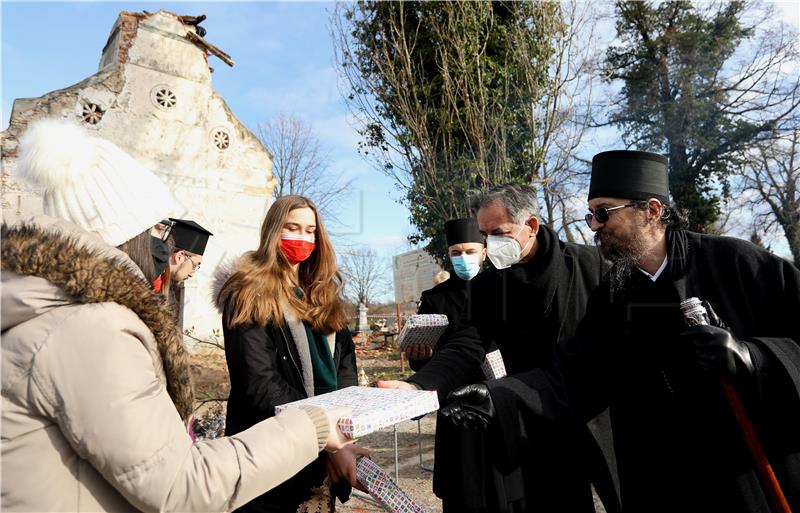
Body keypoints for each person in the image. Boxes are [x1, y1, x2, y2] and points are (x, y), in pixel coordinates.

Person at [1, 118, 356, 512]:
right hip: (275, 456)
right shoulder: (91, 327)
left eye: (311, 231)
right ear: (125, 229)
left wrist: (344, 422)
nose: (166, 245)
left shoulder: (60, 311)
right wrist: (318, 424)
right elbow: (179, 485)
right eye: (157, 227)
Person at [445, 150, 800, 511]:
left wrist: (754, 357)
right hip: (657, 476)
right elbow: (575, 373)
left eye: (603, 212)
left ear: (652, 210)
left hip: (740, 470)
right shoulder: (614, 292)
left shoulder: (736, 263)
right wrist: (498, 397)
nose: (594, 225)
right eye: (591, 214)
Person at [380, 185, 617, 513]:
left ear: (530, 226)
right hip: (526, 417)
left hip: (590, 417)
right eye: (484, 234)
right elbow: (467, 345)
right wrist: (418, 386)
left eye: (499, 232)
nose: (490, 244)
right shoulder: (489, 286)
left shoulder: (591, 266)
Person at [215, 195, 365, 513]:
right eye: (292, 228)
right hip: (269, 457)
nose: (302, 237)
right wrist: (324, 433)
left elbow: (345, 365)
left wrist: (342, 431)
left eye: (310, 230)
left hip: (322, 455)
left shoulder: (324, 296)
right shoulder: (248, 294)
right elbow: (260, 385)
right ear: (273, 232)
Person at [407, 217, 487, 368]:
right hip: (449, 376)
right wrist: (422, 356)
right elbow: (418, 360)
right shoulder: (433, 298)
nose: (463, 257)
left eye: (470, 252)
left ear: (483, 254)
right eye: (456, 253)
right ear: (450, 255)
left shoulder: (499, 287)